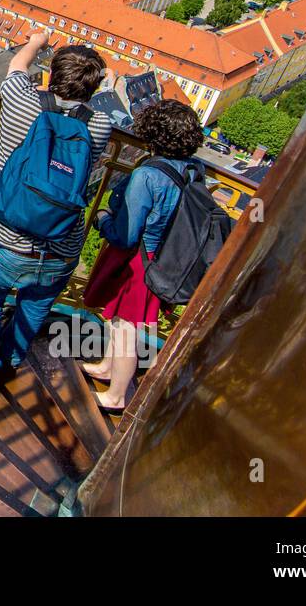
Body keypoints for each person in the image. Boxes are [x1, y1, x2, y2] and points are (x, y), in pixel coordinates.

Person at [0, 32, 112, 381]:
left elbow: (17, 65)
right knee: (33, 310)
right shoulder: (100, 125)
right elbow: (100, 106)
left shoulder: (22, 101)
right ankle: (12, 357)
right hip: (60, 244)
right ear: (92, 89)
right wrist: (107, 86)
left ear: (50, 76)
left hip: (7, 233)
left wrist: (37, 40)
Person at [82, 99, 205, 411]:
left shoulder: (147, 176)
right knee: (120, 322)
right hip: (161, 256)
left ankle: (116, 396)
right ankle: (107, 368)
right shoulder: (194, 168)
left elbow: (126, 234)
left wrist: (104, 219)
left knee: (125, 331)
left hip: (138, 261)